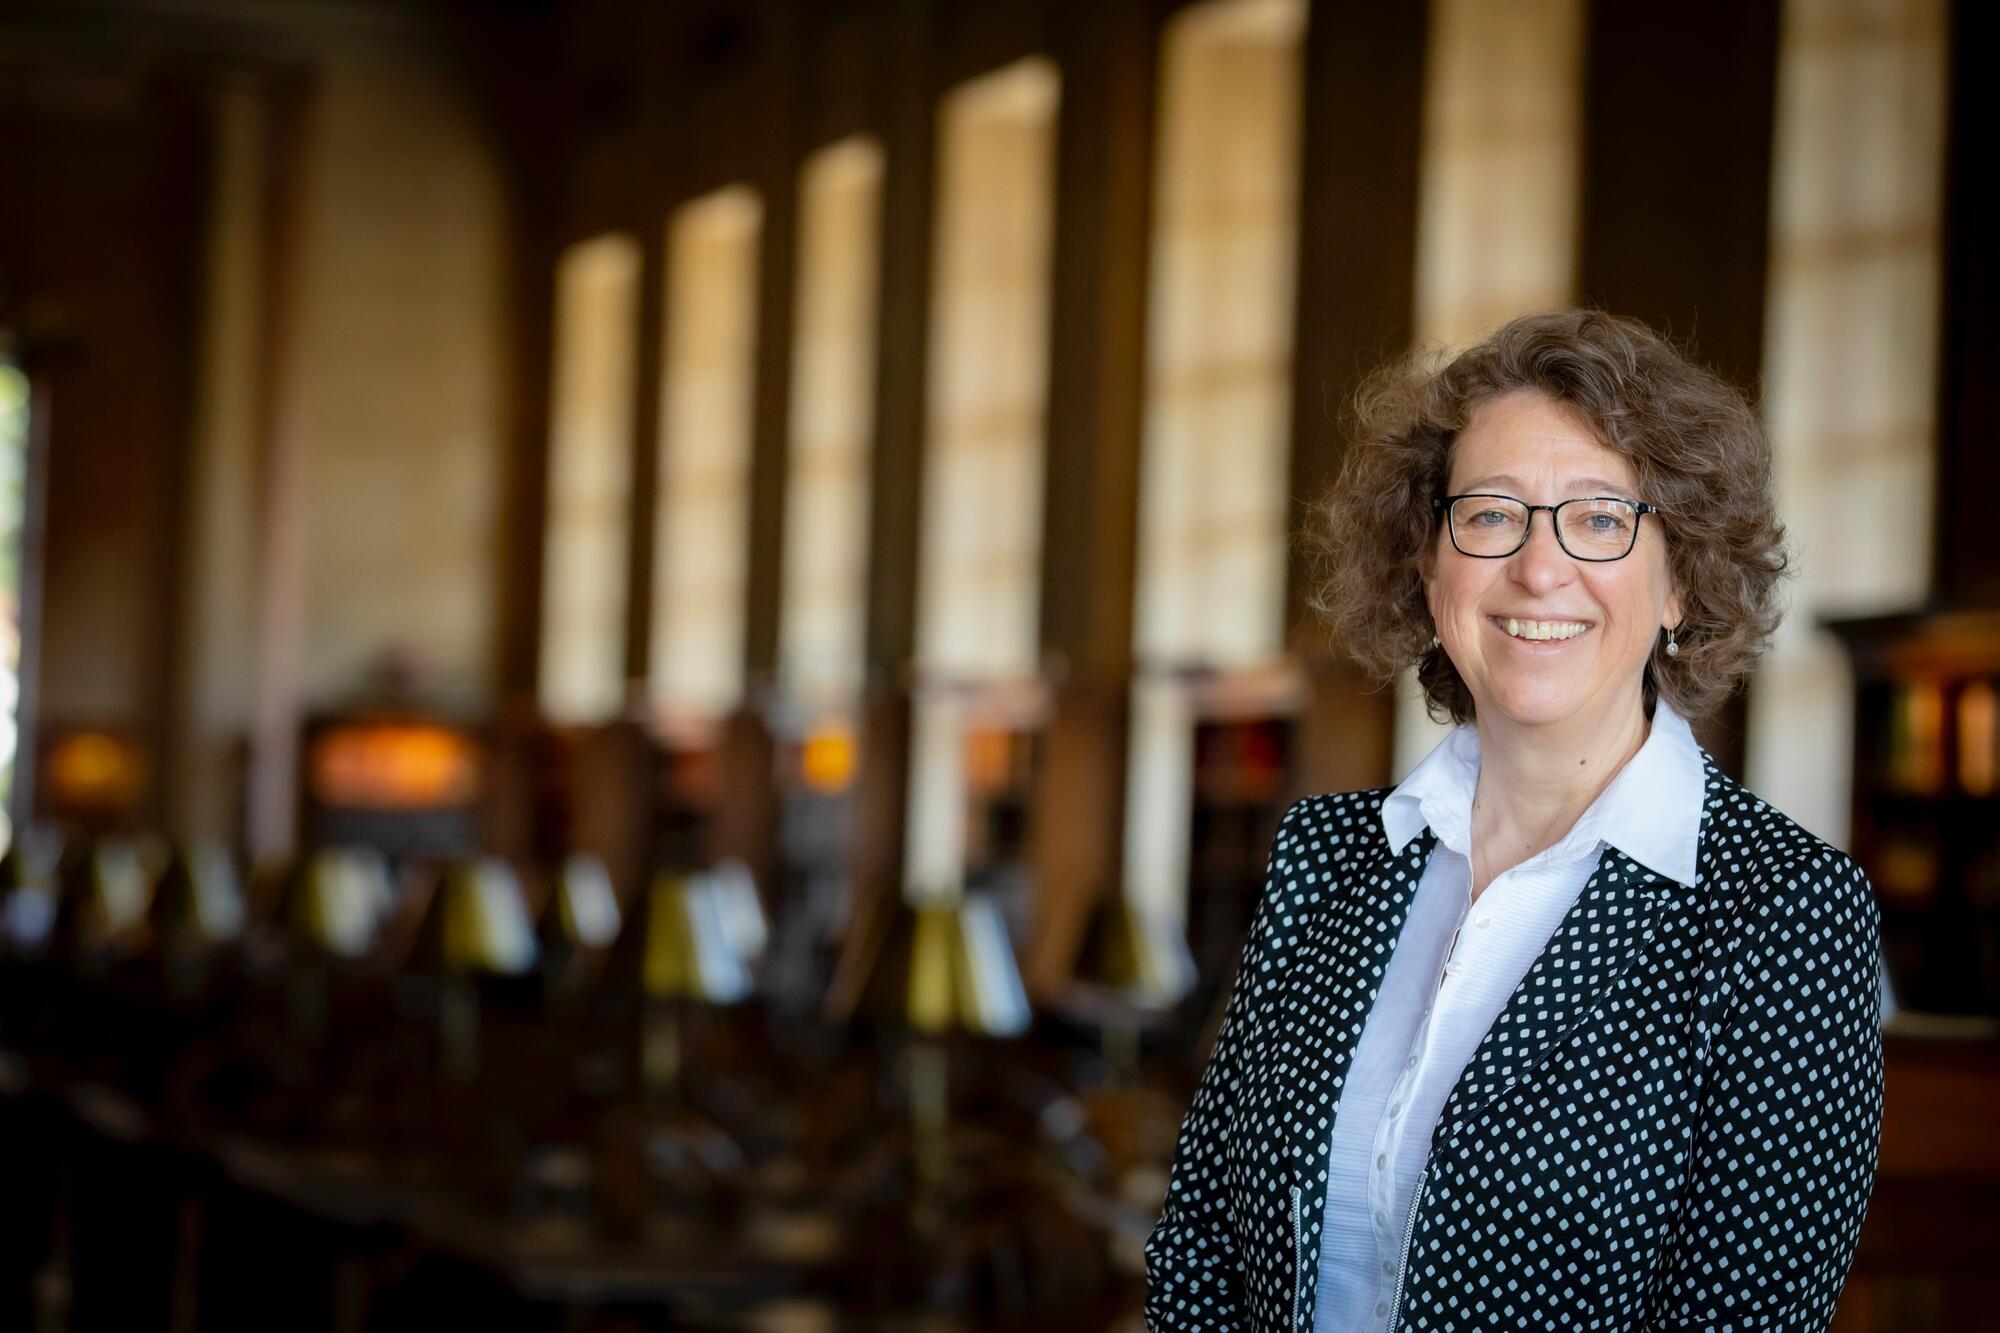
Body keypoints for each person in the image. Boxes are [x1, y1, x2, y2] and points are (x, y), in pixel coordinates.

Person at [1143, 310, 1883, 1332]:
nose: (1539, 569)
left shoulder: (1779, 910)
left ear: (1680, 579)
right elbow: (1199, 1247)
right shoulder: (1327, 858)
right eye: (1490, 516)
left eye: (1598, 518)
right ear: (1426, 562)